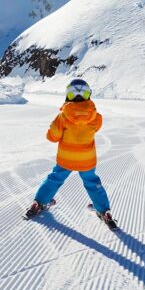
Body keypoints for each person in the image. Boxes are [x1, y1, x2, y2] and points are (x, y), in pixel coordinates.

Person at [24, 79, 117, 230]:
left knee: (55, 178)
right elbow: (94, 129)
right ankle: (103, 211)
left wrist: (54, 132)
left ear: (68, 95)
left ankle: (39, 202)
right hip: (86, 160)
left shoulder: (63, 116)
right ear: (88, 95)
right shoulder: (96, 117)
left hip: (66, 159)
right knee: (92, 182)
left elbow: (53, 137)